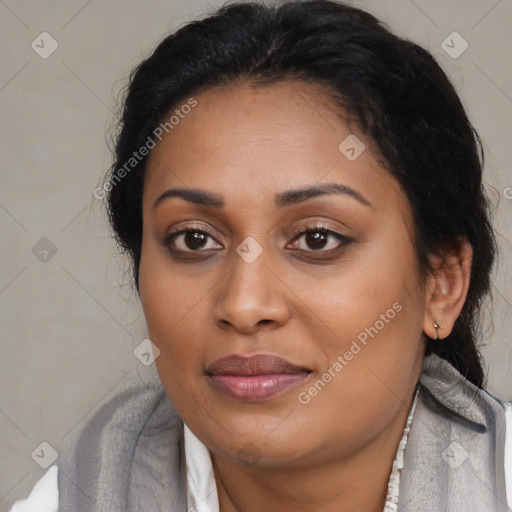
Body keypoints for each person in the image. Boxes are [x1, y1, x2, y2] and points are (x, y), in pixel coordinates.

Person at [9, 0, 512, 510]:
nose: (245, 305)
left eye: (318, 238)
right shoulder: (77, 493)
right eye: (194, 239)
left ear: (442, 284)